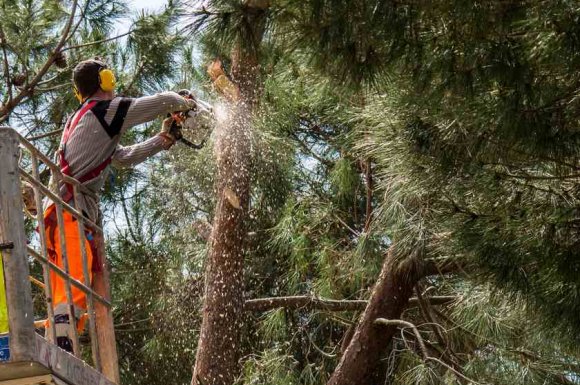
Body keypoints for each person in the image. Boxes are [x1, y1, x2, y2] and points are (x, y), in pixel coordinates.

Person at [43, 58, 193, 353]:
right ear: (105, 80)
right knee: (74, 279)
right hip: (69, 208)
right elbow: (159, 102)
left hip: (63, 209)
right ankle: (61, 348)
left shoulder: (88, 118)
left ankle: (60, 344)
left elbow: (123, 156)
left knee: (69, 282)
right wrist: (184, 100)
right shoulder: (104, 109)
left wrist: (163, 139)